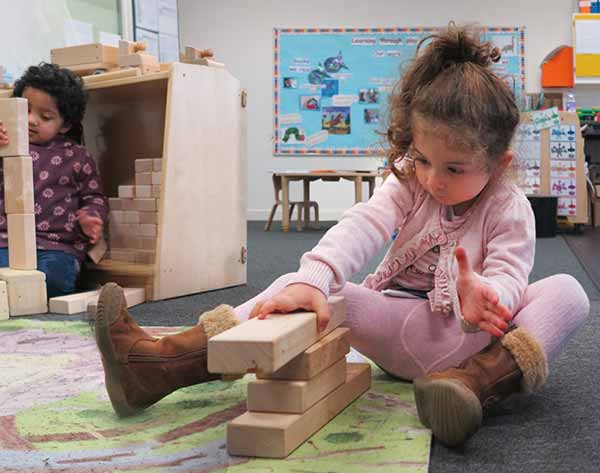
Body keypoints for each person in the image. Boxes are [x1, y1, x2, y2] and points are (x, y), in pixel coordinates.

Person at [92, 25, 590, 447]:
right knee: (297, 285)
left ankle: (472, 387)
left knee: (569, 291)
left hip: (470, 341)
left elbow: (507, 273)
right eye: (423, 158)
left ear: (498, 164)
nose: (434, 178)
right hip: (398, 325)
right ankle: (162, 365)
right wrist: (316, 277)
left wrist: (487, 295)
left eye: (455, 167)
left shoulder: (510, 208)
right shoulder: (410, 182)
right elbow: (362, 224)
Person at [0, 63, 108, 296]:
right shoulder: (5, 145)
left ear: (65, 124)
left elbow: (94, 197)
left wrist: (92, 217)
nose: (31, 120)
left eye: (45, 116)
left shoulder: (77, 156)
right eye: (25, 109)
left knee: (55, 280)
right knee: (5, 279)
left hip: (56, 245)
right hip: (7, 240)